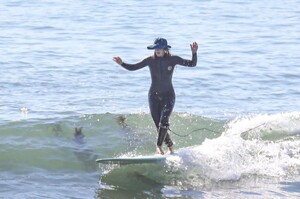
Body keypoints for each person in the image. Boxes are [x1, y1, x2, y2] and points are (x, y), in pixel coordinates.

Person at [113, 38, 198, 154]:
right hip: (153, 96)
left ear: (165, 49)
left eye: (160, 48)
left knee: (164, 121)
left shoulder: (173, 59)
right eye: (156, 48)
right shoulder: (150, 60)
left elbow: (192, 64)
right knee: (158, 124)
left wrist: (194, 53)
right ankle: (171, 147)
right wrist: (122, 63)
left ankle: (158, 146)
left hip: (168, 95)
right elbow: (133, 67)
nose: (157, 50)